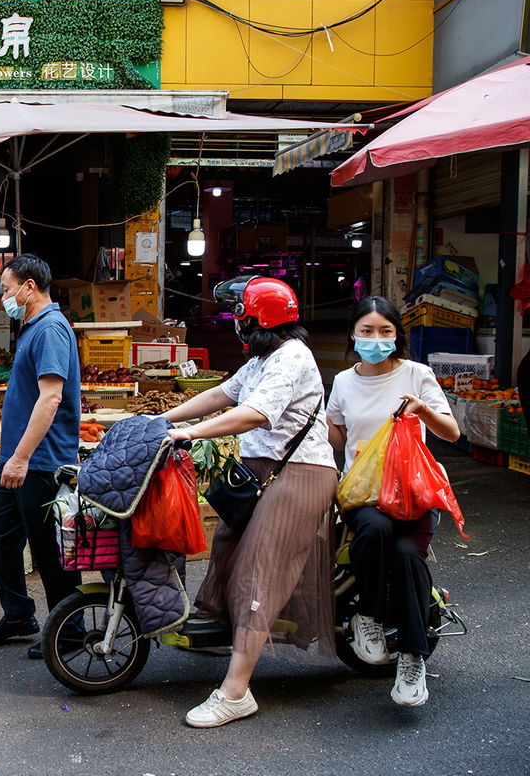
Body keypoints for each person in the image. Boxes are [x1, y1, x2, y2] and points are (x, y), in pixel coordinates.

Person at [162, 276, 338, 728]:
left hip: (300, 473)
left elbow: (255, 413)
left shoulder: (292, 357)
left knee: (261, 569)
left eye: (239, 313)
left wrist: (191, 432)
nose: (234, 322)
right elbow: (222, 395)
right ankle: (227, 634)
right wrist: (159, 419)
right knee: (227, 548)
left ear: (258, 319)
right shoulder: (263, 359)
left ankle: (236, 692)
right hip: (260, 471)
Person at [326, 296, 459, 708]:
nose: (376, 339)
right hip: (365, 494)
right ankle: (367, 616)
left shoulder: (417, 375)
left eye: (385, 331)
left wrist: (423, 411)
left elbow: (452, 433)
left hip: (414, 492)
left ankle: (412, 659)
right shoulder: (344, 382)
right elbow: (337, 435)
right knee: (376, 527)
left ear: (397, 335)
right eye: (367, 331)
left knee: (407, 555)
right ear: (353, 334)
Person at [0, 253, 82, 660]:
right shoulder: (32, 326)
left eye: (7, 289)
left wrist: (20, 458)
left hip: (40, 461)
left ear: (29, 287)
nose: (5, 297)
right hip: (18, 458)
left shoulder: (51, 328)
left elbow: (52, 397)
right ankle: (19, 614)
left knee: (50, 550)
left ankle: (69, 629)